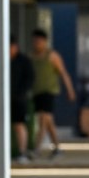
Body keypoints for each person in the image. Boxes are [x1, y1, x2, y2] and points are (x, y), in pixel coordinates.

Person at [27, 29, 75, 159]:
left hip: (49, 92)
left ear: (45, 42)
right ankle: (57, 148)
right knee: (48, 121)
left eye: (39, 41)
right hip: (36, 92)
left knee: (43, 119)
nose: (37, 44)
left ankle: (37, 148)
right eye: (35, 41)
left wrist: (70, 90)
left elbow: (63, 73)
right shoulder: (31, 57)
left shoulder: (52, 56)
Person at [8, 42, 34, 163]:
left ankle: (22, 151)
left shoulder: (23, 61)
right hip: (5, 98)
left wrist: (22, 93)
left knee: (19, 124)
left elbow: (30, 78)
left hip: (19, 98)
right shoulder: (2, 60)